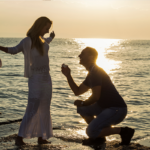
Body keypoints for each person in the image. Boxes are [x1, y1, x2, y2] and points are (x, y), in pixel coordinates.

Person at [61, 47, 135, 145]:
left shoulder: (95, 72)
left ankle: (124, 131)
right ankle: (100, 137)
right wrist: (68, 76)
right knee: (82, 109)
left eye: (82, 53)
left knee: (90, 131)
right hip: (104, 107)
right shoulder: (91, 73)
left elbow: (96, 96)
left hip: (117, 109)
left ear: (91, 57)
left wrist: (83, 102)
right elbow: (77, 91)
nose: (79, 56)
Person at [0, 16, 55, 146]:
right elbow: (13, 50)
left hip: (47, 78)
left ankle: (42, 137)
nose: (47, 31)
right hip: (35, 79)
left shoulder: (43, 40)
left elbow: (48, 40)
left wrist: (52, 37)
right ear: (40, 26)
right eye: (46, 28)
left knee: (45, 107)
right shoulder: (27, 41)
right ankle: (20, 137)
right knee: (33, 107)